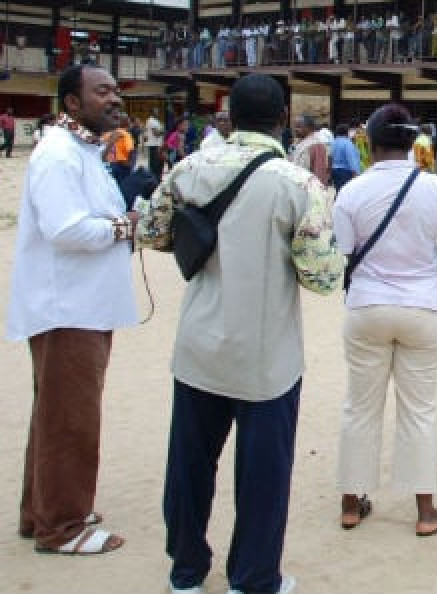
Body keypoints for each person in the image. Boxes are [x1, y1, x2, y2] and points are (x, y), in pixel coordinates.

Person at [137, 73, 342, 593]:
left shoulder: (190, 166)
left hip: (199, 345)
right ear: (282, 117)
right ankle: (252, 577)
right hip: (266, 356)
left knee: (188, 465)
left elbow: (153, 232)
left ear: (228, 112)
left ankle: (185, 570)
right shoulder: (297, 185)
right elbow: (321, 276)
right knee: (263, 475)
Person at [9, 66, 138, 556]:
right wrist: (123, 226)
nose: (113, 98)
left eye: (114, 90)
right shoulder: (59, 155)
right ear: (72, 103)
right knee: (71, 421)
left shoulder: (84, 152)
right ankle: (62, 526)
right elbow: (66, 229)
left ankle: (41, 511)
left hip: (85, 307)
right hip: (68, 310)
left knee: (55, 415)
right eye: (101, 91)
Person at [332, 103, 437, 537]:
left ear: (368, 144)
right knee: (419, 412)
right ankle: (426, 512)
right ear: (415, 144)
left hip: (368, 307)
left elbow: (346, 252)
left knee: (359, 407)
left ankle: (351, 504)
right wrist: (426, 260)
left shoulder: (351, 191)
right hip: (423, 307)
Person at [289, 114, 330, 186]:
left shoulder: (317, 145)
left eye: (298, 126)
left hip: (308, 190)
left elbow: (319, 174)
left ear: (309, 128)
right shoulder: (298, 143)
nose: (295, 129)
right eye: (294, 126)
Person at [104, 113, 136, 184]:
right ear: (124, 122)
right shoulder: (125, 134)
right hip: (122, 165)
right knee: (123, 187)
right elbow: (130, 150)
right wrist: (130, 165)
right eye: (127, 119)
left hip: (110, 164)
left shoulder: (107, 133)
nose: (129, 121)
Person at [330, 124, 362, 192]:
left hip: (334, 171)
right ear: (347, 132)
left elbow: (329, 157)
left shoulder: (333, 143)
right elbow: (352, 159)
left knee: (339, 191)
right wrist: (356, 174)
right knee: (347, 192)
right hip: (345, 173)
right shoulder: (347, 143)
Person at [144, 109, 165, 178]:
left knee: (157, 163)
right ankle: (154, 179)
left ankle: (156, 178)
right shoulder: (151, 121)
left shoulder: (155, 121)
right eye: (155, 111)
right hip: (154, 145)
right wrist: (163, 130)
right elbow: (156, 133)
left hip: (156, 144)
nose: (157, 112)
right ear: (152, 112)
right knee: (154, 164)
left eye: (157, 111)